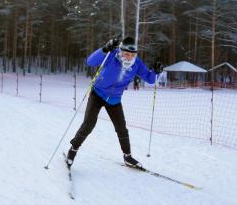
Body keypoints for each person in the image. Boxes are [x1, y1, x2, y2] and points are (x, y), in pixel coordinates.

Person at [65, 36, 163, 169]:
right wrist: (104, 49)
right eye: (126, 54)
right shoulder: (111, 55)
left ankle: (127, 157)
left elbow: (150, 79)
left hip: (115, 99)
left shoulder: (137, 63)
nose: (129, 57)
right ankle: (73, 149)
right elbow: (90, 61)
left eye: (132, 55)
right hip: (98, 94)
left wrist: (156, 72)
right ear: (120, 51)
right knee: (89, 124)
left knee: (121, 128)